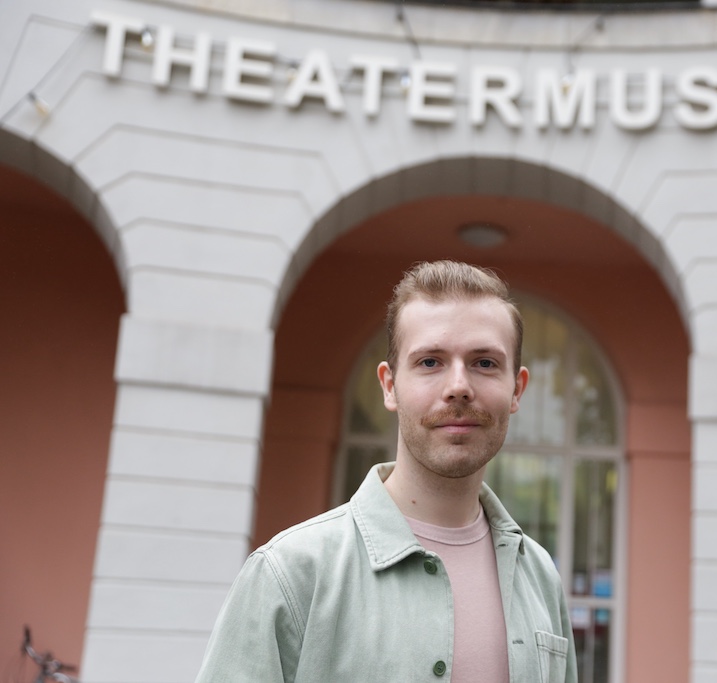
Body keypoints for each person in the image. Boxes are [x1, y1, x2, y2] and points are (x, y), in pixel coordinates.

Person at [195, 260, 577, 683]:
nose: (459, 386)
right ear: (390, 386)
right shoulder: (290, 573)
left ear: (517, 390)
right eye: (430, 362)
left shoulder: (540, 577)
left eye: (484, 363)